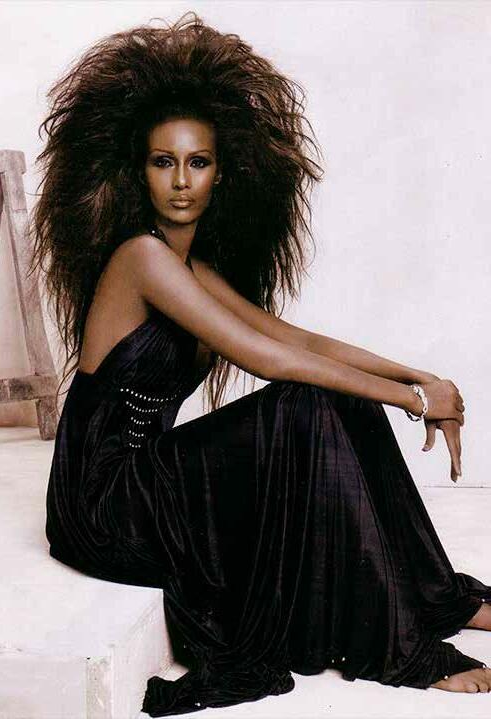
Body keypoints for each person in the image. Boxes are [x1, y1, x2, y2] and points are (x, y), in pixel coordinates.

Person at [32, 12, 491, 717]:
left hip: (150, 478)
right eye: (162, 161)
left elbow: (295, 339)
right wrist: (414, 404)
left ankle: (439, 598)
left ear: (221, 173)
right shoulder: (141, 257)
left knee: (339, 397)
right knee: (303, 403)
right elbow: (266, 359)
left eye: (198, 162)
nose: (180, 181)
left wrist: (416, 377)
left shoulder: (192, 268)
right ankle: (403, 649)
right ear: (139, 171)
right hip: (106, 504)